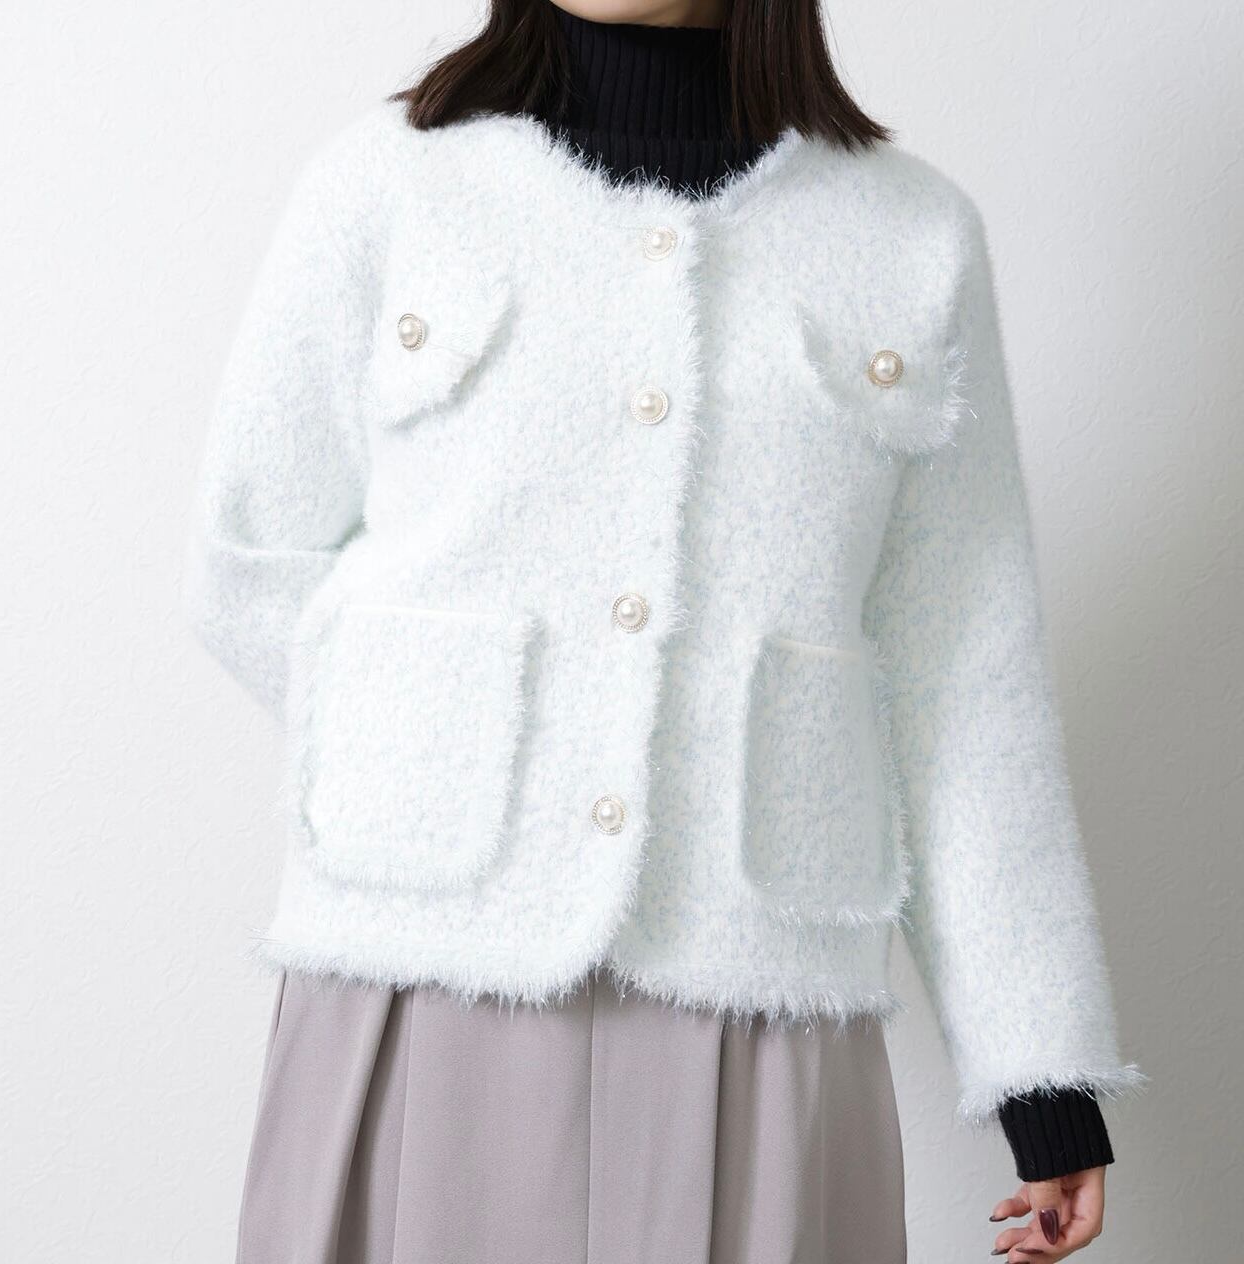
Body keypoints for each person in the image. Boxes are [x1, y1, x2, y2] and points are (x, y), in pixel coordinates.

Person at [181, 3, 1144, 1261]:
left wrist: (1042, 1068)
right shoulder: (388, 185)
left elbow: (963, 676)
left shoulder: (909, 236)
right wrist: (452, 768)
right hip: (421, 979)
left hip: (758, 1000)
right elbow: (248, 560)